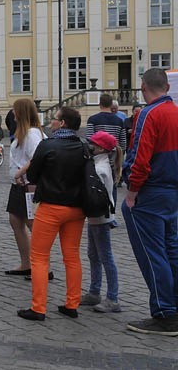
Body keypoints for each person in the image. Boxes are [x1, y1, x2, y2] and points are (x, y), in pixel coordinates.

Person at [121, 68, 178, 335]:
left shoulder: (148, 114)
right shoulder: (176, 112)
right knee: (171, 251)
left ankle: (165, 313)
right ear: (166, 86)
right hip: (172, 193)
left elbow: (139, 158)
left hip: (151, 192)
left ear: (144, 88)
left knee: (153, 254)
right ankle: (173, 306)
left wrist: (132, 192)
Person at [17, 107, 86, 321]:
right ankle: (72, 304)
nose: (51, 122)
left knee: (39, 257)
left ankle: (38, 308)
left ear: (63, 123)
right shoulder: (83, 147)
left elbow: (34, 174)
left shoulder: (48, 146)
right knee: (72, 256)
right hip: (77, 209)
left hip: (51, 207)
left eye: (54, 119)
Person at [80, 131, 122, 313]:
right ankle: (94, 291)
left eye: (93, 144)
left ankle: (112, 297)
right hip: (96, 218)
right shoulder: (99, 163)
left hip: (101, 218)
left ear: (101, 148)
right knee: (93, 254)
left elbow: (97, 196)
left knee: (105, 257)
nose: (90, 146)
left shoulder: (101, 168)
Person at [6, 98, 46, 276]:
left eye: (15, 110)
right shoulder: (24, 132)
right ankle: (26, 263)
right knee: (15, 220)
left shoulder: (32, 134)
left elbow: (37, 157)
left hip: (30, 186)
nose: (12, 113)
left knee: (33, 225)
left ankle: (43, 267)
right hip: (19, 185)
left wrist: (20, 171)